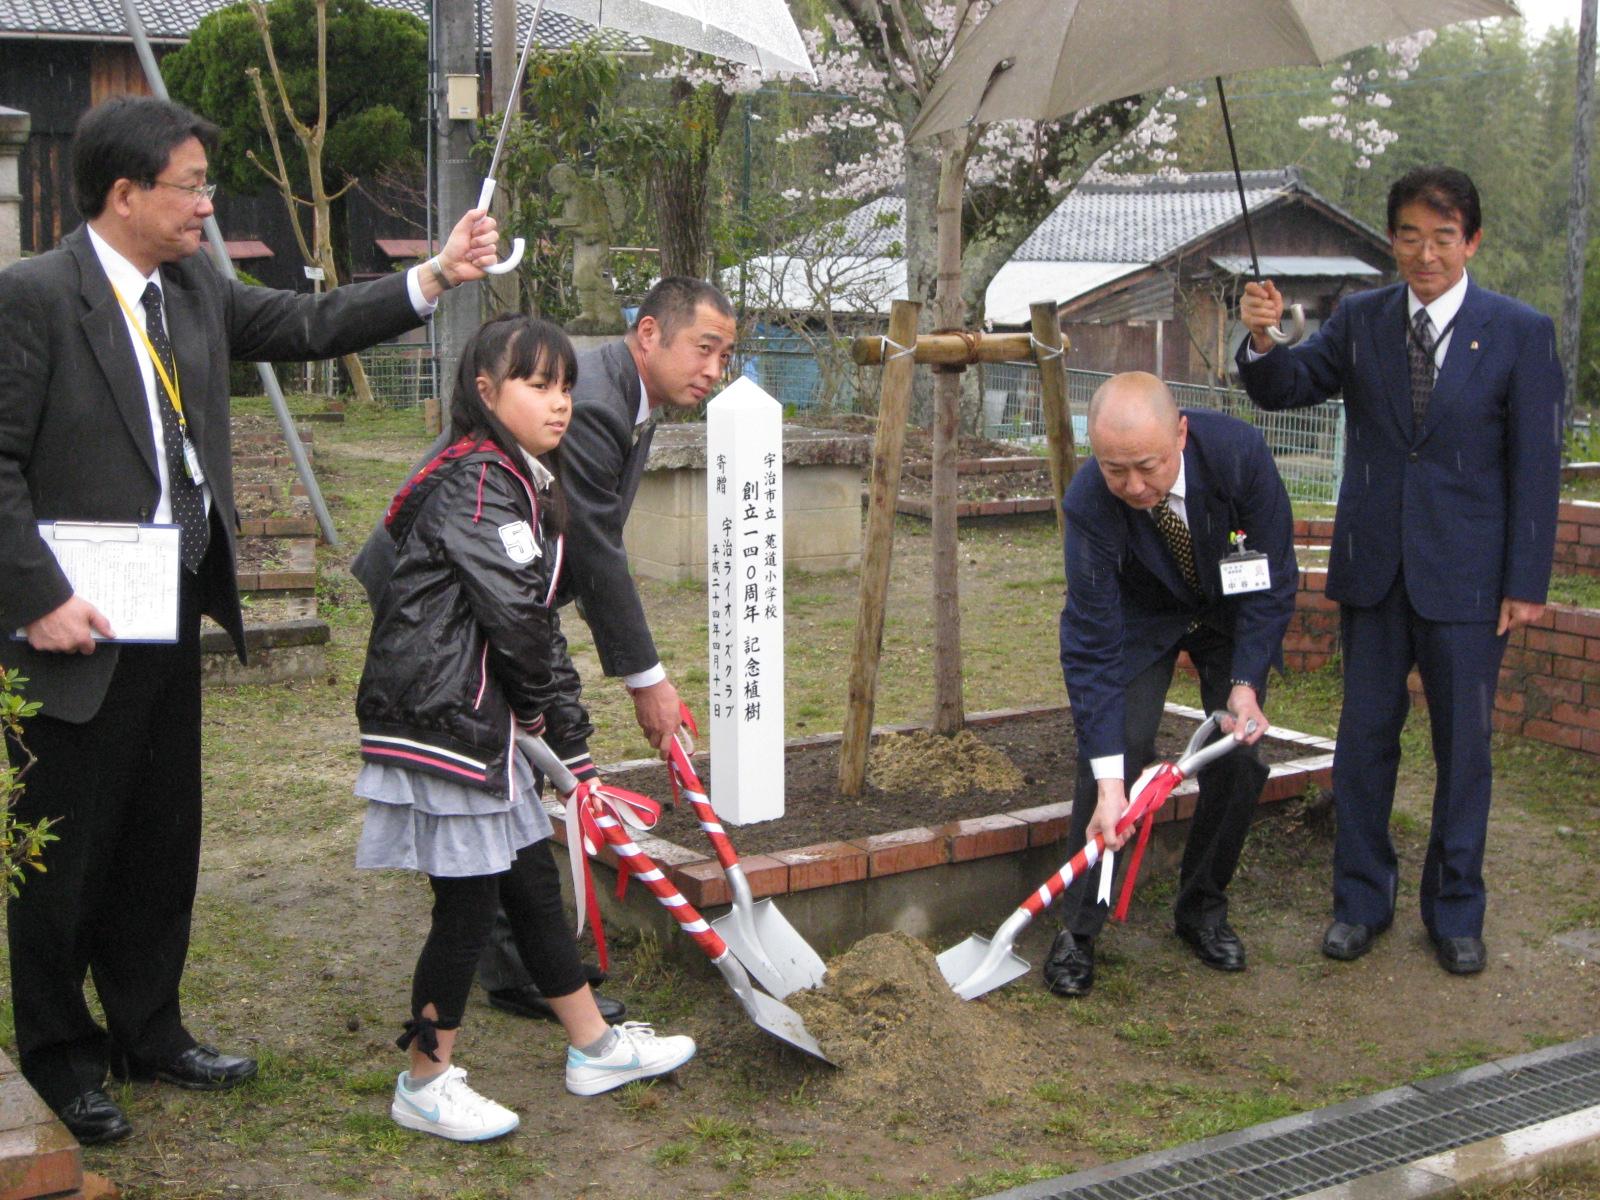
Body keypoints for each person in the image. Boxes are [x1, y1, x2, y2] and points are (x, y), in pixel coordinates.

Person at [0, 95, 500, 1146]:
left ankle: (150, 1028)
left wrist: (434, 275)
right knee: (64, 856)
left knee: (158, 832)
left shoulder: (193, 290)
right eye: (190, 185)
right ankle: (61, 1056)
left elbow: (308, 325)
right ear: (124, 193)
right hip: (70, 619)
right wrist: (35, 597)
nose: (206, 205)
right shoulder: (34, 297)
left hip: (168, 606)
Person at [351, 276, 737, 1023]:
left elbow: (556, 575)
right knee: (484, 812)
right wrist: (628, 687)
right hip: (441, 612)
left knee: (514, 815)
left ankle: (546, 985)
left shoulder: (625, 402)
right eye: (705, 347)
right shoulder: (586, 404)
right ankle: (484, 1007)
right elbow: (587, 556)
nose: (715, 369)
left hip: (494, 606)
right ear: (651, 333)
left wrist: (562, 728)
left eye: (726, 355)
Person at [1237, 166, 1563, 976]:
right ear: (1392, 240)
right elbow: (1285, 389)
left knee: (1465, 752)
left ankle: (1456, 912)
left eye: (1443, 237)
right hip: (1375, 573)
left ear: (1472, 242)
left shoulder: (1519, 331)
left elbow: (1538, 466)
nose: (1426, 253)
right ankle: (1359, 902)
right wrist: (1263, 337)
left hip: (1470, 581)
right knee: (1364, 743)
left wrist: (1525, 582)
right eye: (1410, 236)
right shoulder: (1362, 321)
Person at [1046, 372, 1297, 997]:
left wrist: (1244, 684)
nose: (1134, 486)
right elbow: (1092, 642)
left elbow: (1272, 580)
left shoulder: (1239, 458)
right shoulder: (1089, 502)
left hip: (1225, 610)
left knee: (1239, 759)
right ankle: (1079, 929)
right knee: (1116, 751)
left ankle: (1202, 908)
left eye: (1148, 467)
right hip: (1140, 619)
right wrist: (1111, 782)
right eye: (1115, 470)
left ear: (1181, 433)